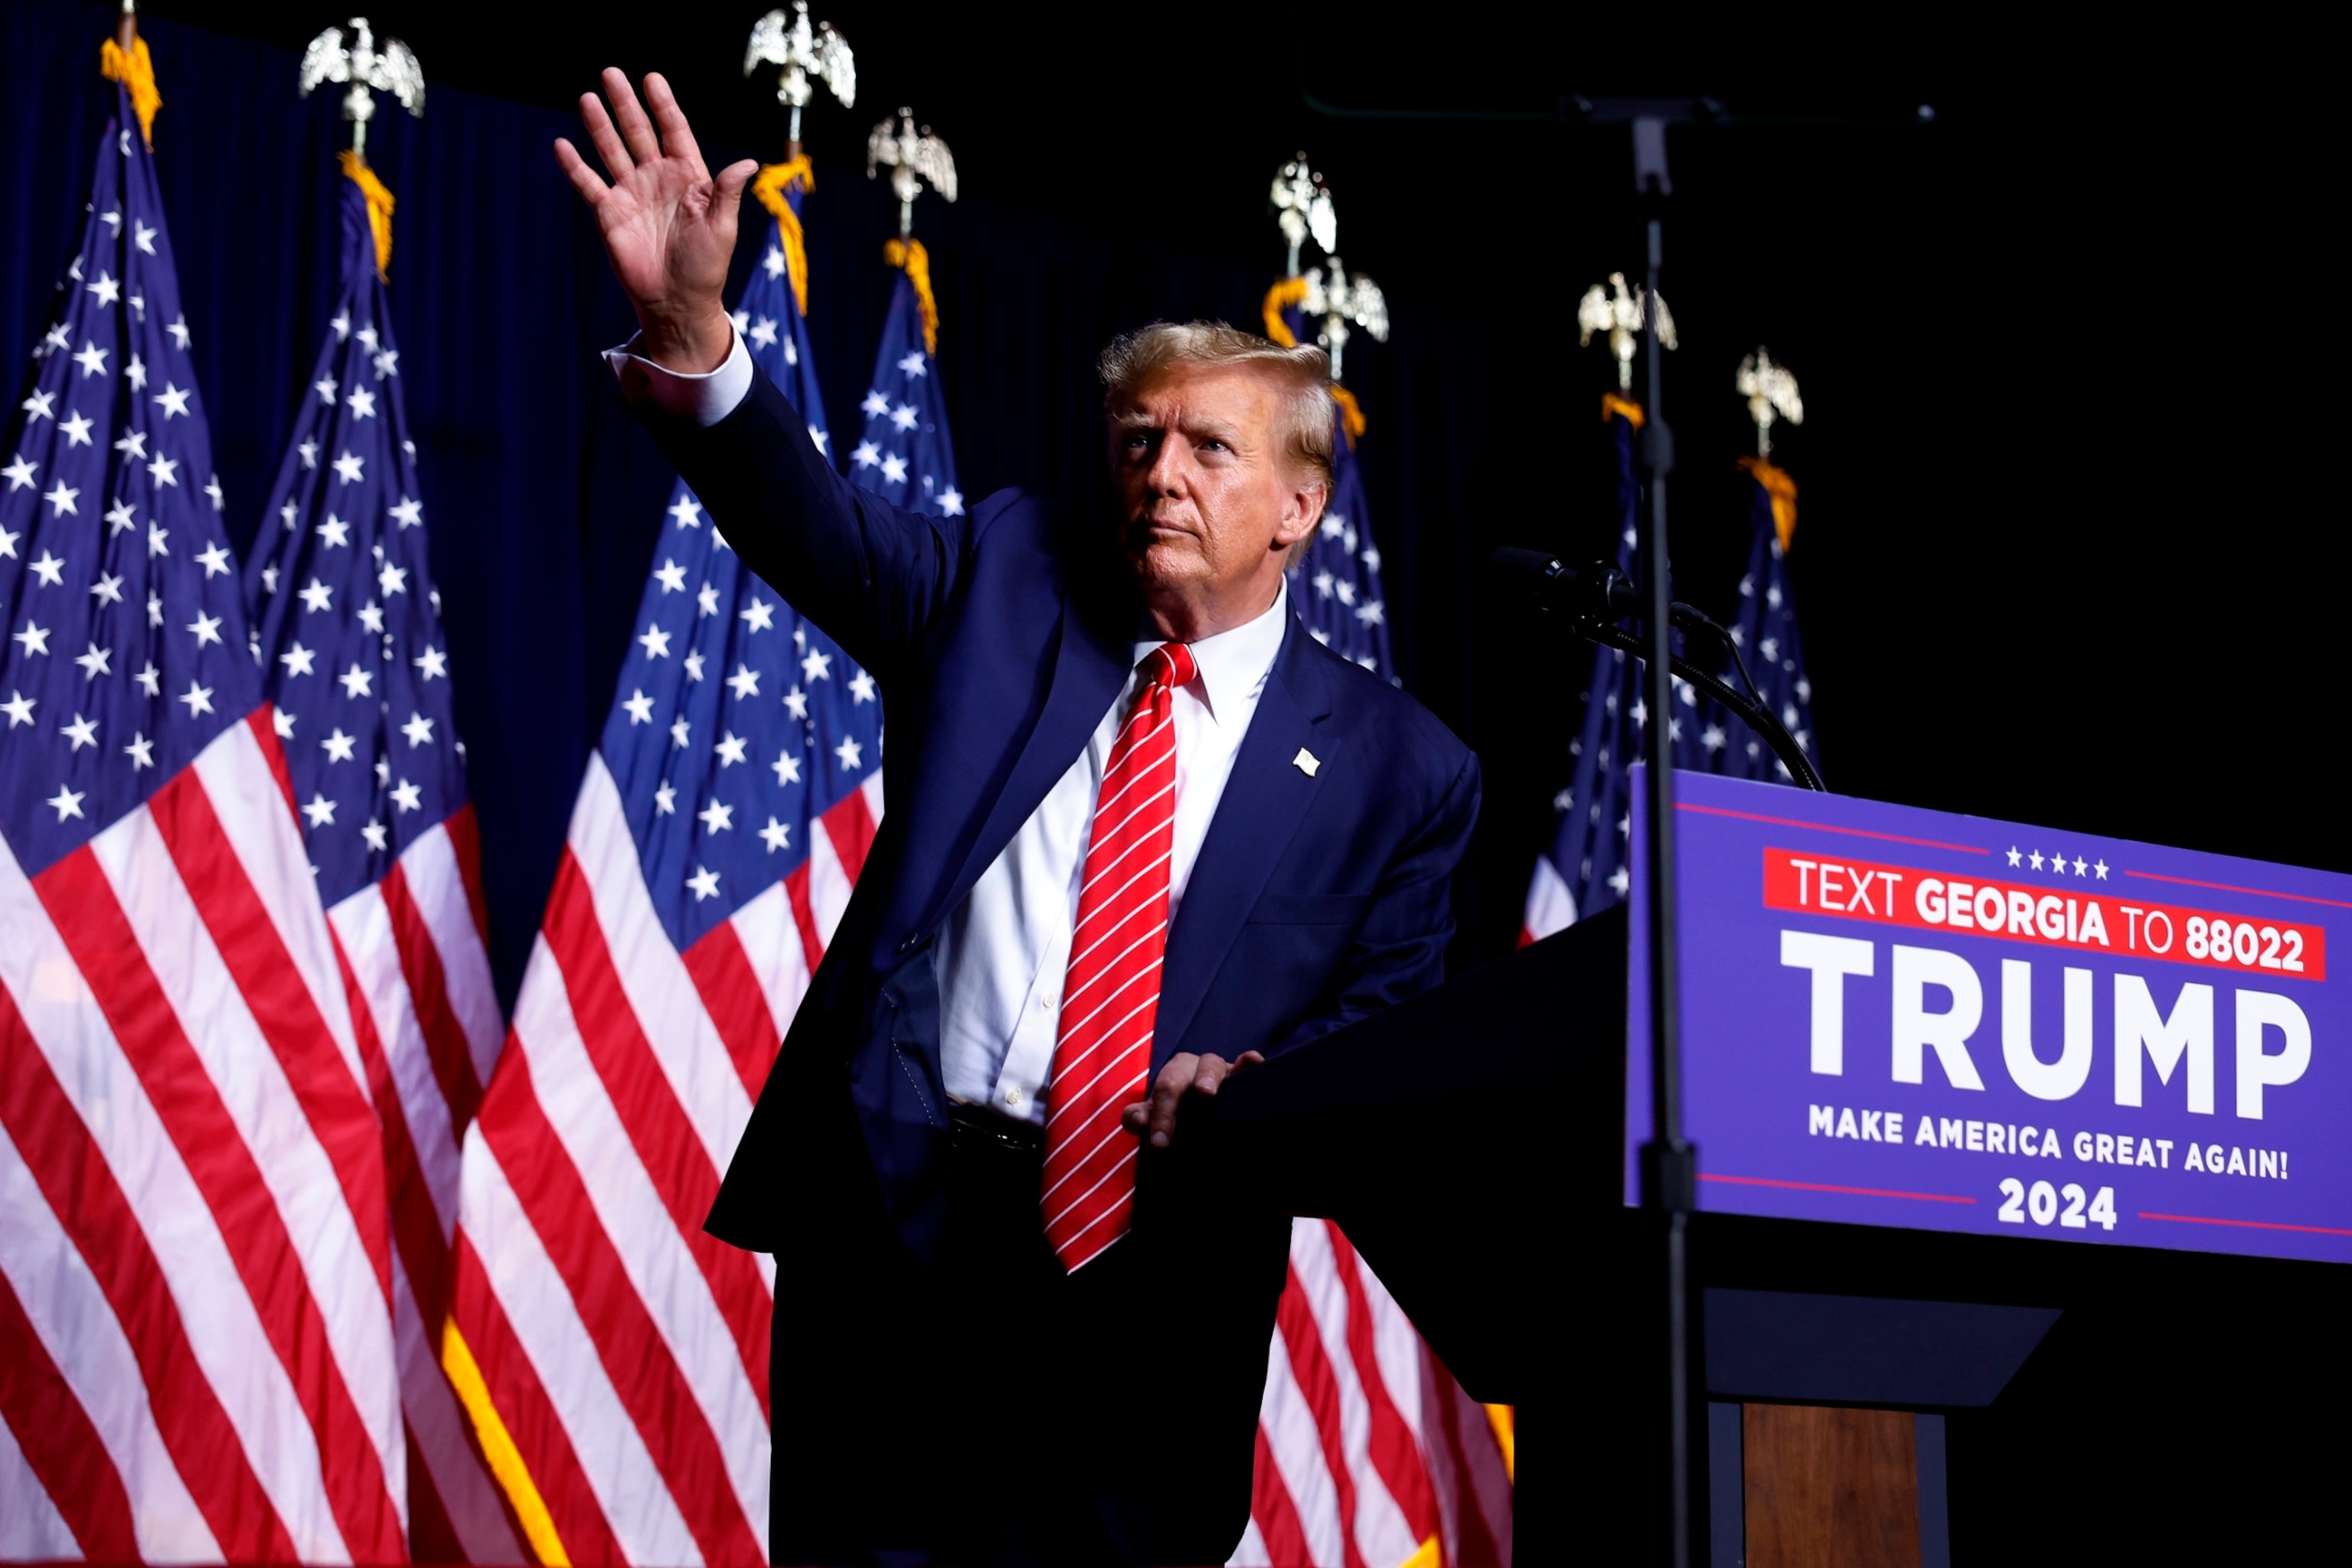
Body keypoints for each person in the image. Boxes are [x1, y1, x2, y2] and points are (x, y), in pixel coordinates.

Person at [558, 69, 1481, 1565]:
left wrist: (1262, 1088)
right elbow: (810, 521)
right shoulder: (1005, 578)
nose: (1158, 472)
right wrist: (692, 343)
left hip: (1154, 1288)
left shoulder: (1401, 770)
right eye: (1137, 441)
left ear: (1301, 507)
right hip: (904, 1243)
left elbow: (1381, 1043)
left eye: (1206, 448)